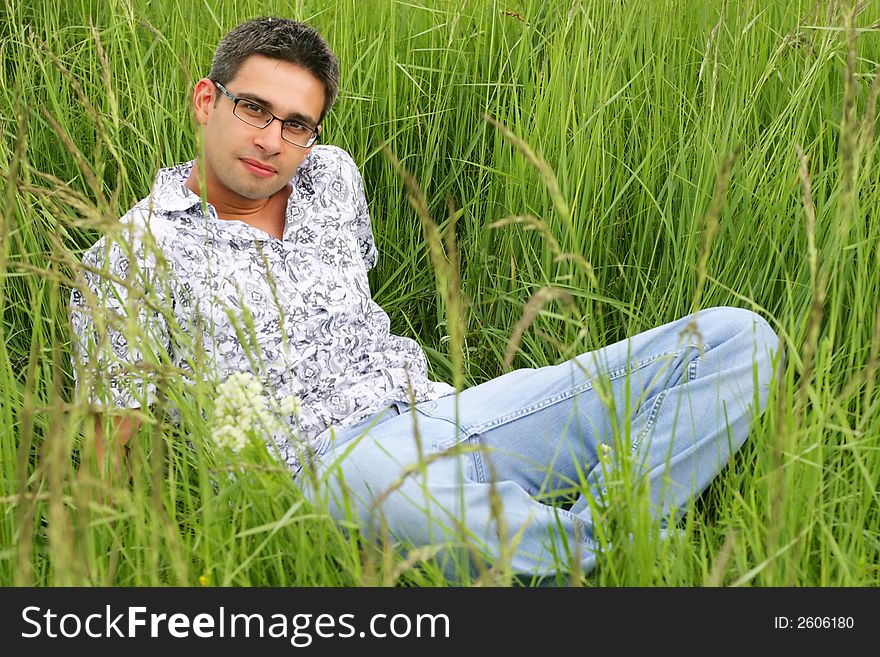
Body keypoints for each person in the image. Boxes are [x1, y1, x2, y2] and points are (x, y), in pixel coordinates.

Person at [70, 17, 783, 579]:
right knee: (396, 493)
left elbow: (358, 306)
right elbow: (107, 440)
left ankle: (595, 530)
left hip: (444, 410)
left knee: (735, 338)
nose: (271, 139)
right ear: (206, 100)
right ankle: (612, 557)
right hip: (322, 462)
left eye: (297, 123)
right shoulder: (128, 259)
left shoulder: (332, 177)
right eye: (253, 108)